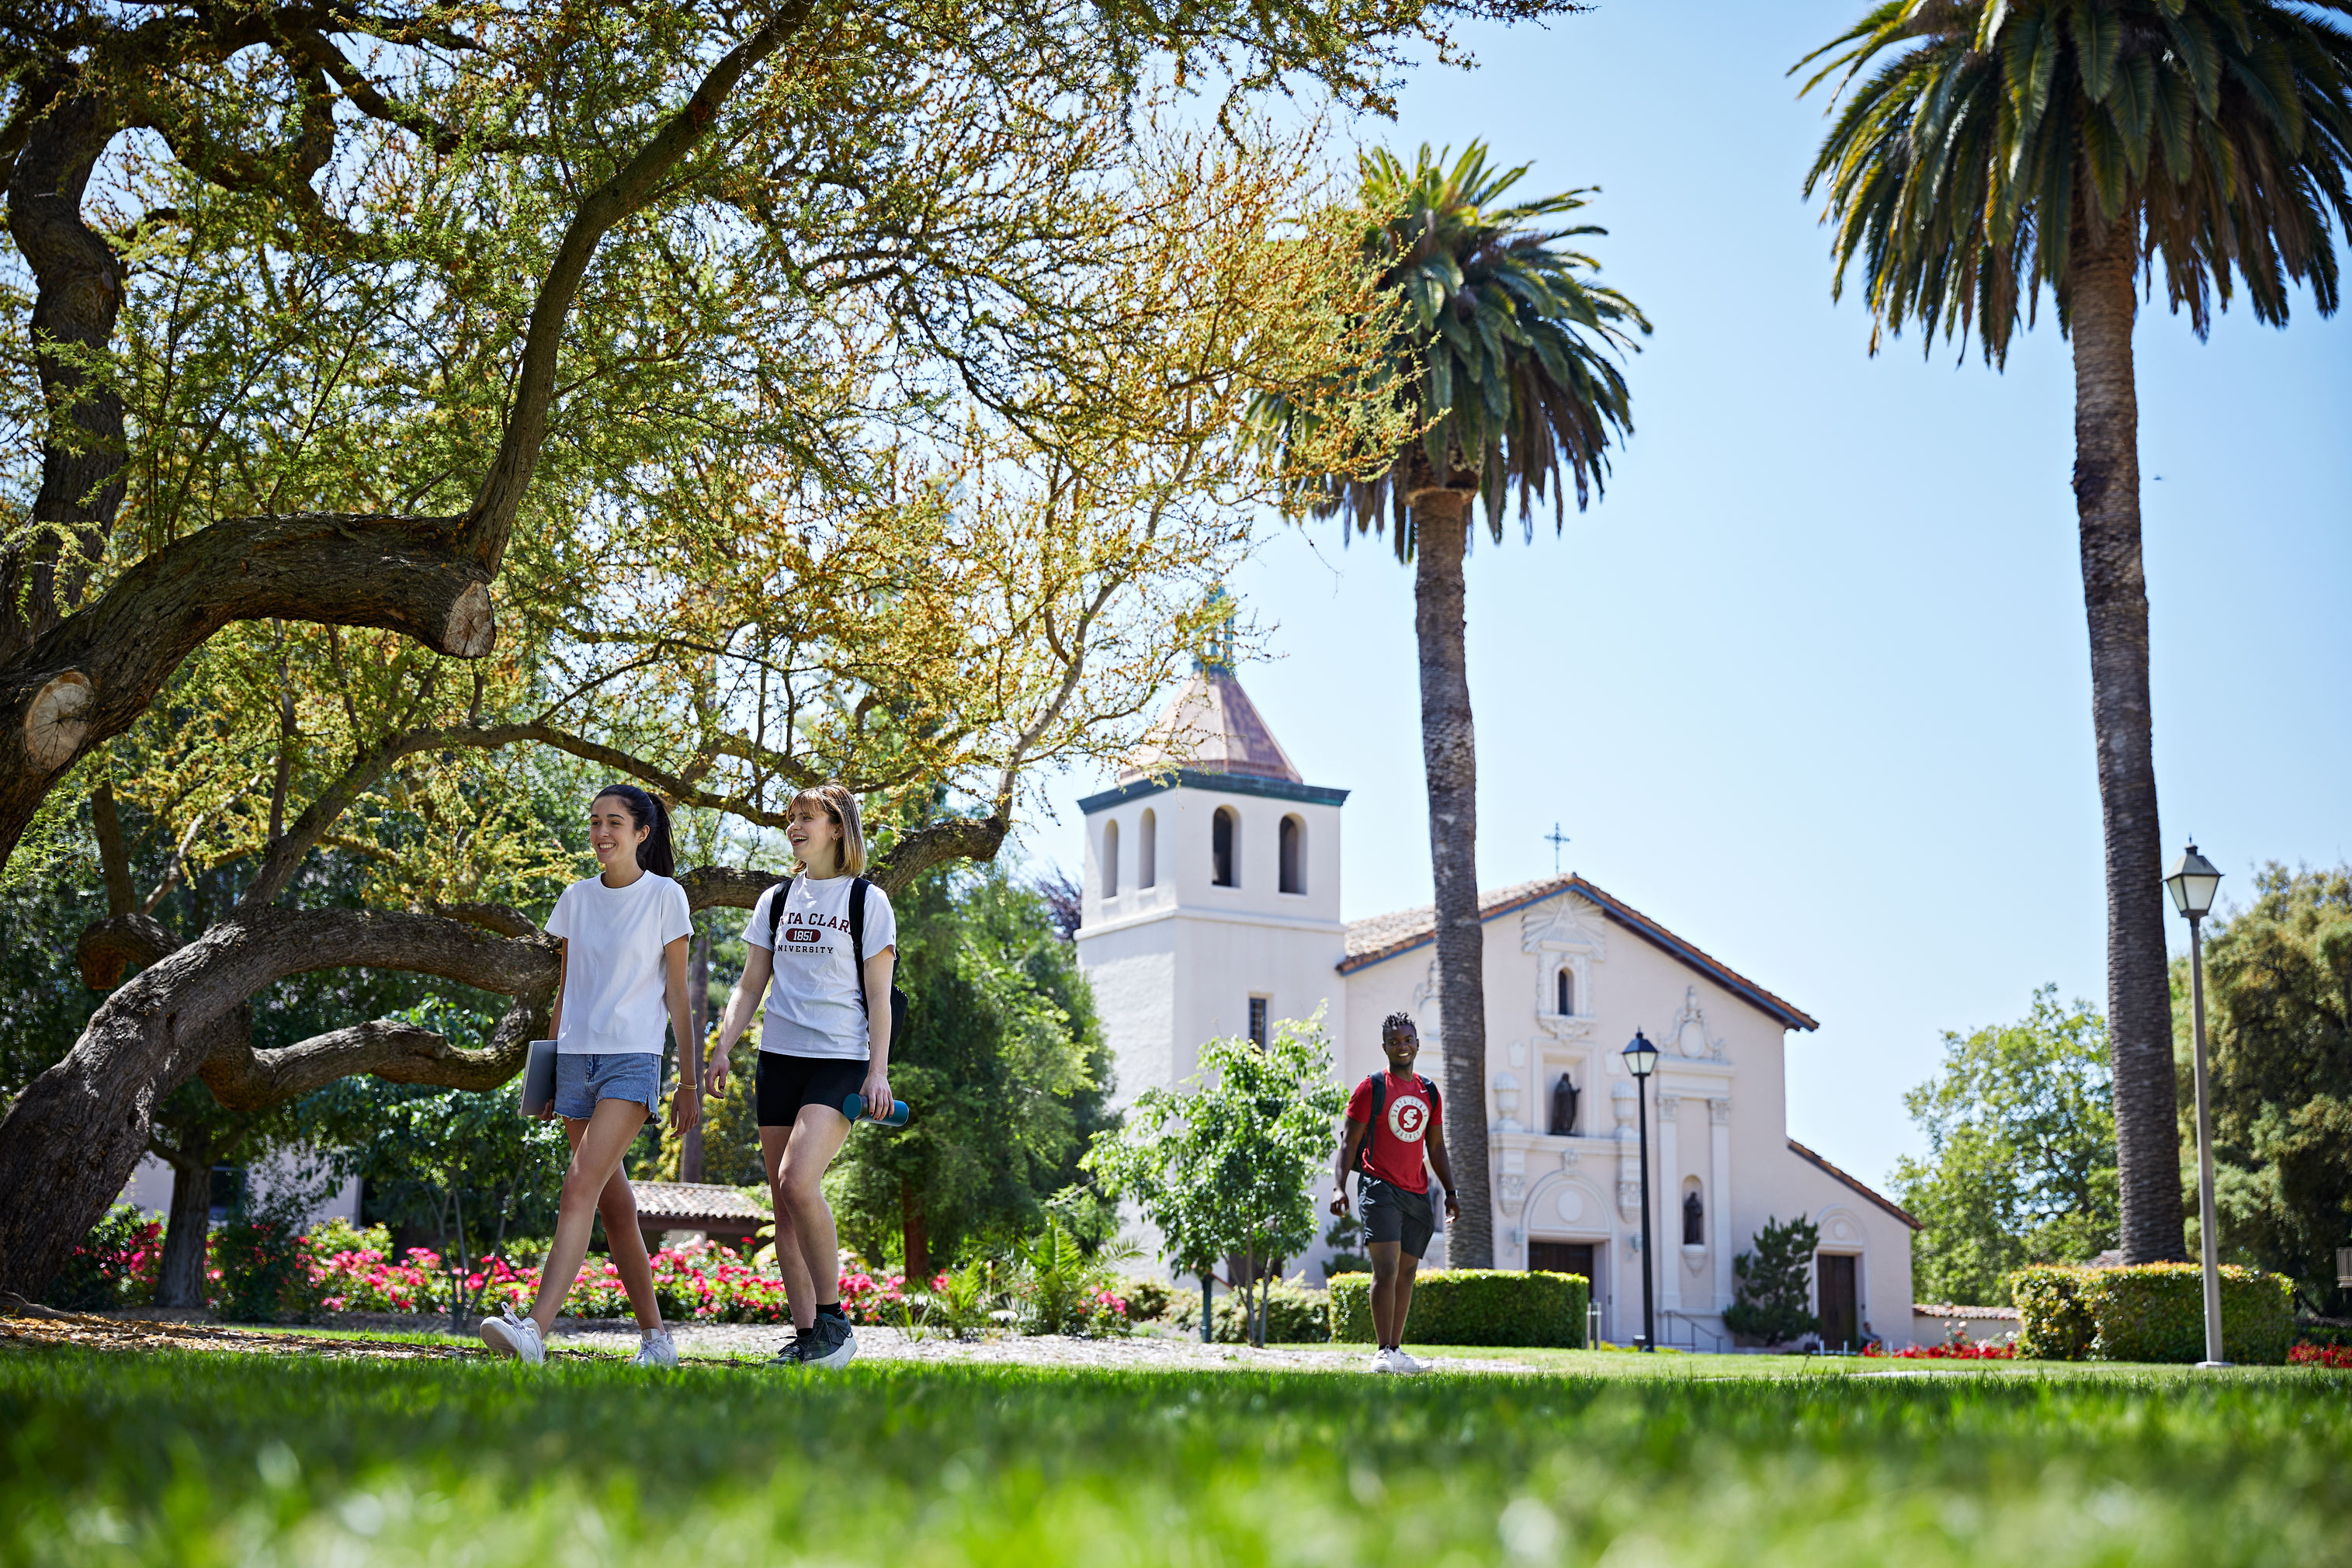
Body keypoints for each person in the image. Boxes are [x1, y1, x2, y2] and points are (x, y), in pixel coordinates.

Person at [482, 784, 699, 1369]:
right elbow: (567, 987)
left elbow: (678, 993)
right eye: (596, 822)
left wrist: (690, 1080)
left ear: (642, 833)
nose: (602, 833)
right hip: (577, 1060)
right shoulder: (576, 897)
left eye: (615, 823)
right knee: (613, 1204)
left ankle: (534, 1331)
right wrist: (549, 1071)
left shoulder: (665, 896)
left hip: (633, 1060)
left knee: (579, 1186)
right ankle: (657, 1342)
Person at [707, 783, 897, 1369]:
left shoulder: (868, 902)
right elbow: (750, 982)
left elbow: (880, 998)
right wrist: (722, 1047)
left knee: (797, 1180)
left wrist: (878, 1072)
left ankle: (835, 1320)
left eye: (807, 817)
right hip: (779, 1059)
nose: (795, 825)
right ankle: (811, 1337)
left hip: (840, 1059)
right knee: (782, 1203)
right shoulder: (776, 900)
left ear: (837, 828)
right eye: (791, 817)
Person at [1330, 1011, 1459, 1374]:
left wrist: (1450, 1191)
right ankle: (1382, 1351)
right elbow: (1349, 1142)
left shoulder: (1429, 1091)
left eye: (1407, 1040)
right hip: (1378, 1186)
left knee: (1406, 1274)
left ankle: (1397, 1351)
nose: (1402, 1047)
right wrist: (1339, 1187)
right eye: (1394, 1042)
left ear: (1417, 1044)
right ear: (1385, 1047)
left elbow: (1436, 1147)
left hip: (1417, 1193)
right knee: (1385, 1270)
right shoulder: (1372, 1087)